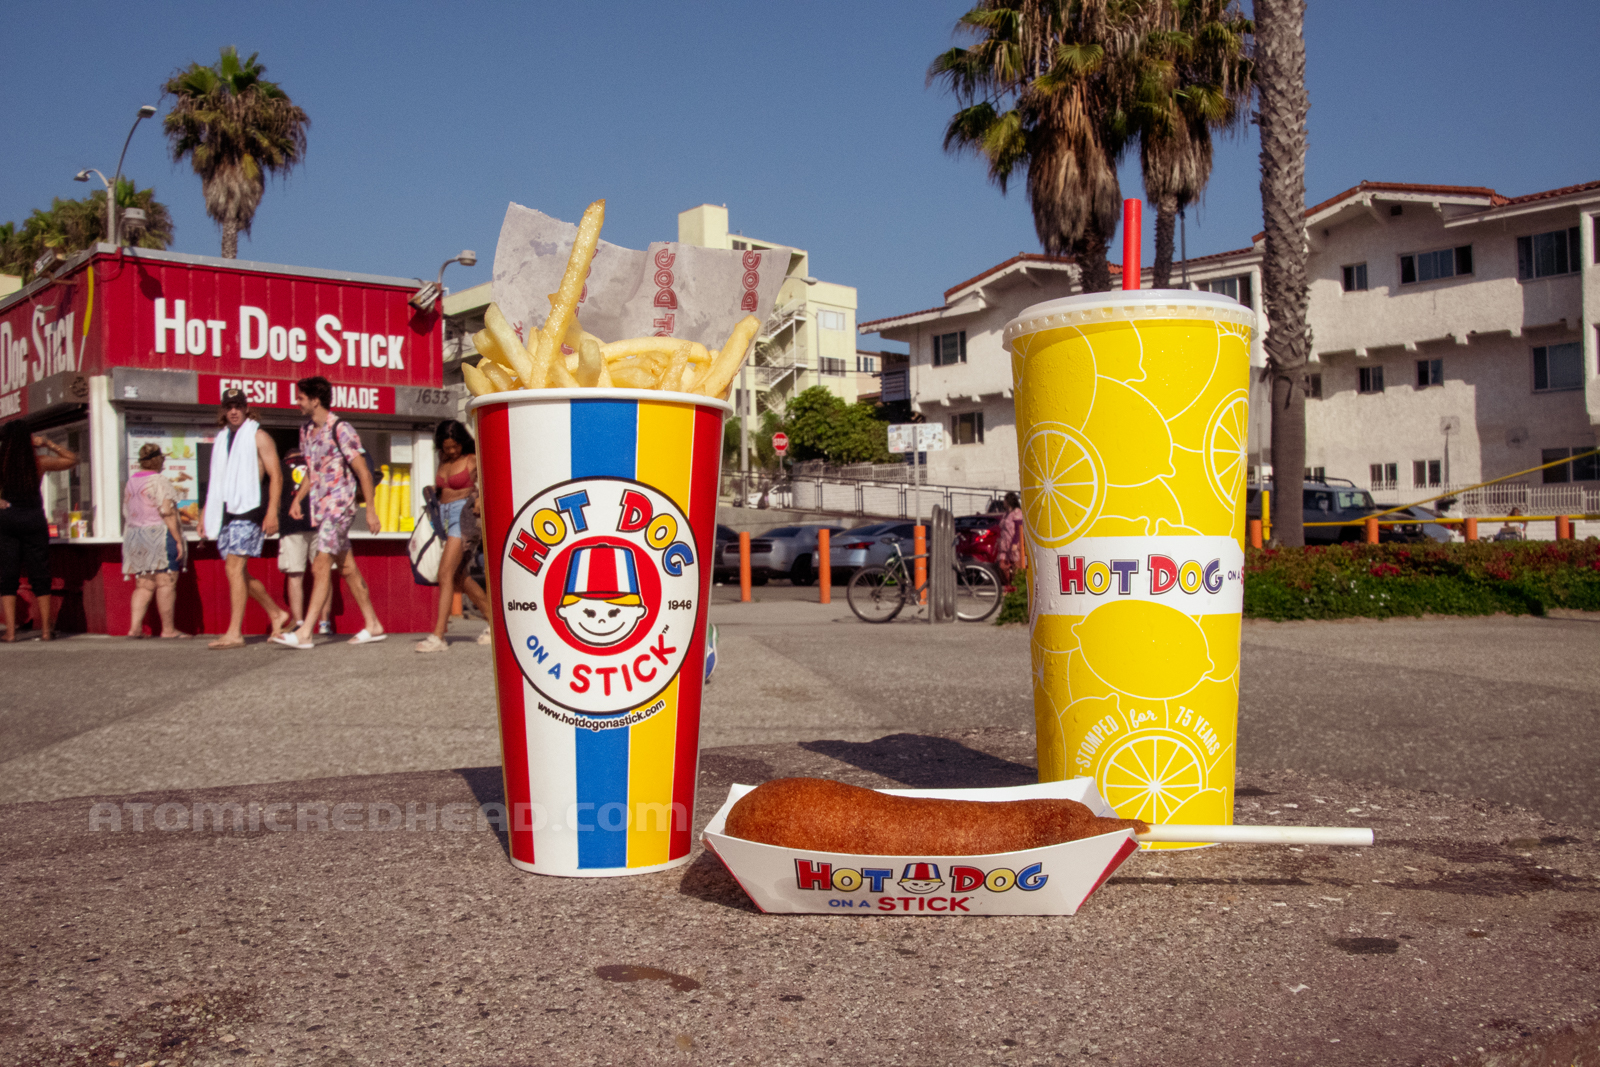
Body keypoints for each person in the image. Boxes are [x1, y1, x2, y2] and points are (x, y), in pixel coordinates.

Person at [274, 376, 385, 648]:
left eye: (301, 397)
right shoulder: (305, 431)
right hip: (320, 510)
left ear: (315, 400)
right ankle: (373, 624)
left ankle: (305, 632)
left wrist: (370, 511)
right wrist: (298, 499)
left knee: (321, 563)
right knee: (347, 568)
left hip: (339, 508)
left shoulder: (341, 429)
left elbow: (363, 472)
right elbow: (312, 472)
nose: (297, 402)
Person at [202, 389, 292, 649]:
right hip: (227, 511)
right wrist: (205, 513)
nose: (234, 411)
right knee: (239, 573)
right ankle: (277, 613)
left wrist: (272, 512)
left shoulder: (258, 436)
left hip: (250, 509)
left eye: (238, 406)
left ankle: (234, 633)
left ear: (246, 408)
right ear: (223, 410)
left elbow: (276, 475)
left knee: (233, 569)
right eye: (229, 406)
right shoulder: (222, 438)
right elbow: (216, 480)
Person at [415, 420, 491, 653]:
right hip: (444, 517)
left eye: (455, 446)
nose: (451, 451)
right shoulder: (442, 458)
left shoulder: (472, 458)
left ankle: (439, 636)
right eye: (446, 447)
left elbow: (491, 478)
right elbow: (443, 488)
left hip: (464, 515)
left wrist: (480, 498)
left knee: (445, 573)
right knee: (459, 576)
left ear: (462, 442)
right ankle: (495, 623)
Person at [0, 423, 77, 642]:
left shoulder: (2, 464)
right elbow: (72, 459)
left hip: (7, 519)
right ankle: (45, 630)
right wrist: (49, 443)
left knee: (8, 575)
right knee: (40, 573)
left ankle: (11, 632)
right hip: (34, 518)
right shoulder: (39, 462)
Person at [122, 443, 189, 638]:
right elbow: (167, 511)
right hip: (159, 534)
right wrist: (178, 539)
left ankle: (135, 628)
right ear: (158, 460)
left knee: (144, 585)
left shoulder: (131, 481)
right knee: (166, 582)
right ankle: (168, 629)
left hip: (135, 535)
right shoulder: (159, 480)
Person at [277, 444, 332, 636]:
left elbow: (273, 492)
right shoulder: (318, 462)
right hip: (321, 520)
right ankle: (324, 622)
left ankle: (298, 622)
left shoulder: (280, 466)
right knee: (323, 573)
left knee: (295, 574)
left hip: (291, 523)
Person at [994, 491, 1025, 584]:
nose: (1004, 502)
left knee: (1016, 566)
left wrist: (1015, 543)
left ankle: (1016, 585)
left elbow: (1019, 529)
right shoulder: (1006, 514)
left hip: (1014, 543)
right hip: (1005, 544)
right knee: (1002, 565)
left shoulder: (1017, 513)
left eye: (1005, 500)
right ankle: (1009, 582)